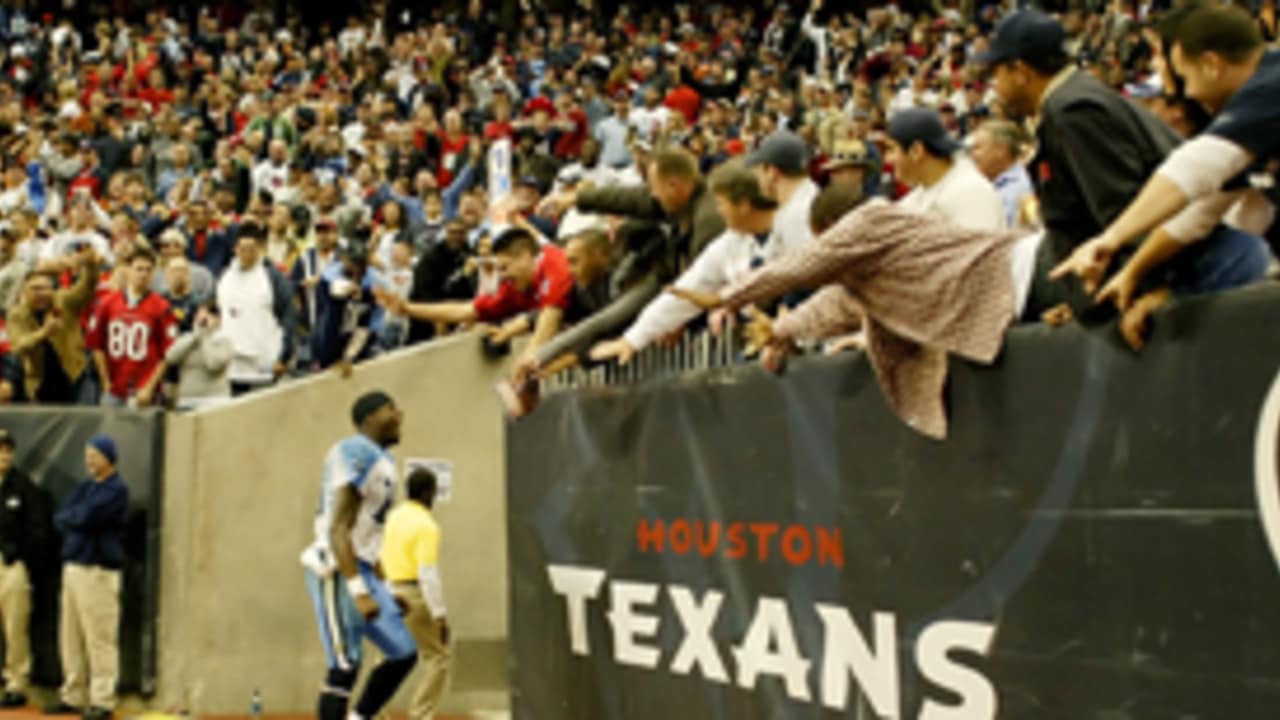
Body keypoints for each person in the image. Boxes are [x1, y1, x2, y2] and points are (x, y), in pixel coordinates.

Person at [668, 188, 1040, 440]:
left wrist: (726, 297)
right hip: (1020, 300)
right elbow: (832, 304)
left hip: (1029, 268)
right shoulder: (867, 277)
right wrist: (781, 330)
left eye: (825, 239)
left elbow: (801, 266)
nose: (825, 248)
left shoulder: (873, 220)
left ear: (836, 231)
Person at [980, 9, 1268, 319]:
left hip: (1198, 267)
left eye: (996, 74)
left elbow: (1134, 197)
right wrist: (1105, 291)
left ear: (1020, 70)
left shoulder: (1074, 110)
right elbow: (1207, 204)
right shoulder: (1069, 103)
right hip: (1194, 256)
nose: (1187, 91)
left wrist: (1148, 283)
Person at [1054, 4, 1279, 313]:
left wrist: (1111, 238)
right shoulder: (1257, 129)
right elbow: (1200, 213)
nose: (1188, 94)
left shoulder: (1272, 85)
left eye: (1185, 77)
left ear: (1211, 64)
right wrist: (1131, 273)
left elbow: (1196, 167)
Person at [299, 392, 418, 720]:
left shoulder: (383, 460)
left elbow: (370, 537)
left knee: (403, 653)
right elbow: (340, 528)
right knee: (345, 664)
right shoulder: (356, 450)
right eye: (390, 409)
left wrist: (389, 590)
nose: (399, 415)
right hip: (336, 567)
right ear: (368, 418)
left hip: (363, 565)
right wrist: (358, 590)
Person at [591, 163, 784, 365]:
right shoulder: (729, 242)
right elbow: (688, 288)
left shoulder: (790, 228)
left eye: (721, 203)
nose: (718, 211)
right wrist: (632, 339)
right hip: (758, 338)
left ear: (743, 205)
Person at [47, 435, 128, 720]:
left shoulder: (117, 490)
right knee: (70, 636)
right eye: (87, 454)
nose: (88, 460)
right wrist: (74, 518)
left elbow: (85, 518)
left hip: (98, 571)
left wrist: (74, 518)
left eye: (94, 455)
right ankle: (73, 694)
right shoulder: (85, 487)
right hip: (73, 567)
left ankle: (102, 700)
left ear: (108, 458)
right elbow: (62, 516)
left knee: (99, 638)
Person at [378, 228, 572, 341]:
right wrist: (407, 308)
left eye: (505, 267)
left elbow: (547, 326)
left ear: (525, 257)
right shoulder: (513, 289)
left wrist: (523, 366)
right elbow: (463, 311)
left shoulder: (555, 264)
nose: (502, 277)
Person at [380, 467, 452, 720]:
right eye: (434, 492)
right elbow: (427, 573)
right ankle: (421, 715)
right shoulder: (427, 525)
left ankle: (374, 711)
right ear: (426, 493)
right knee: (438, 657)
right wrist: (440, 614)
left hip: (387, 592)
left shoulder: (392, 517)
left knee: (388, 656)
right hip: (413, 594)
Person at [885, 108, 1006, 231]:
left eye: (892, 149)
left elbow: (977, 249)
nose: (888, 159)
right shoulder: (925, 189)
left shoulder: (972, 193)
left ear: (916, 151)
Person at [0, 429, 52, 709]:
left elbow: (39, 530)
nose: (4, 455)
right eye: (0, 450)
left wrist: (19, 557)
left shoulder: (24, 487)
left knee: (14, 626)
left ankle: (16, 681)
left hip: (10, 566)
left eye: (8, 450)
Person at [8, 247, 101, 404]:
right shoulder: (17, 315)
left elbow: (86, 288)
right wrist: (43, 333)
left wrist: (90, 267)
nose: (42, 293)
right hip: (40, 381)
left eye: (46, 288)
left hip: (74, 374)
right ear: (25, 293)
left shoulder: (63, 300)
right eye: (36, 289)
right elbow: (18, 346)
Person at [88, 247, 176, 408]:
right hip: (114, 387)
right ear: (128, 270)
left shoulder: (162, 307)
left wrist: (150, 387)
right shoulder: (107, 303)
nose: (143, 274)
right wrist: (105, 381)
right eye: (139, 269)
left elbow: (167, 353)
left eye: (148, 270)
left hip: (144, 390)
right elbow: (96, 345)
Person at [216, 223, 297, 395]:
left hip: (264, 362)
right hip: (233, 364)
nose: (246, 253)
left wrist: (283, 357)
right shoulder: (225, 277)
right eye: (242, 248)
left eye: (251, 248)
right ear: (235, 249)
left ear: (260, 248)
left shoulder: (273, 278)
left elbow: (289, 317)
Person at [744, 130, 819, 256]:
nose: (757, 177)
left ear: (773, 172)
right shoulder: (805, 196)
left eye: (760, 170)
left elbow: (804, 272)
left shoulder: (797, 215)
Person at [311, 244, 385, 372]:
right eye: (354, 263)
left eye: (362, 264)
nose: (357, 268)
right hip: (330, 338)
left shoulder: (375, 282)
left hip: (361, 340)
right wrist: (328, 359)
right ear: (344, 260)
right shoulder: (329, 278)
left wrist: (349, 357)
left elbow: (369, 325)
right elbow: (326, 321)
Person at [164, 300, 234, 411]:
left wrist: (204, 337)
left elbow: (213, 364)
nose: (203, 320)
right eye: (200, 315)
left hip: (215, 403)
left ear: (218, 320)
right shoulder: (187, 339)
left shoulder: (224, 341)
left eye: (210, 315)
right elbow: (170, 357)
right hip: (186, 402)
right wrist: (195, 337)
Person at [968, 120, 1036, 229]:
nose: (972, 155)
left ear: (1001, 150)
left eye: (978, 148)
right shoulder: (989, 183)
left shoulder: (1018, 191)